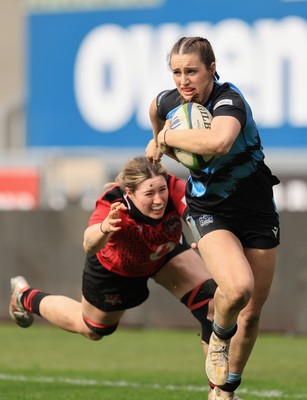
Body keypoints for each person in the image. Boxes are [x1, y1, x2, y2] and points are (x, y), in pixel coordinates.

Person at [146, 36, 280, 400]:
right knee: (237, 289)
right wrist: (156, 138)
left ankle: (226, 388)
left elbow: (220, 143)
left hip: (257, 211)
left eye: (192, 71)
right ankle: (219, 338)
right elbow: (155, 108)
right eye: (176, 72)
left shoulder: (230, 101)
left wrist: (169, 137)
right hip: (209, 209)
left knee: (250, 316)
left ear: (212, 69)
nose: (183, 80)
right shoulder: (171, 100)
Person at [9, 156, 217, 372]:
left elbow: (199, 215)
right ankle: (24, 297)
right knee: (93, 329)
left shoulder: (173, 187)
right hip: (117, 270)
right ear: (130, 193)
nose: (158, 200)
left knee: (212, 304)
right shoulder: (113, 203)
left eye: (161, 190)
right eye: (149, 194)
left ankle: (219, 392)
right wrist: (105, 228)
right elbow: (89, 243)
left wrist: (205, 238)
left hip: (165, 254)